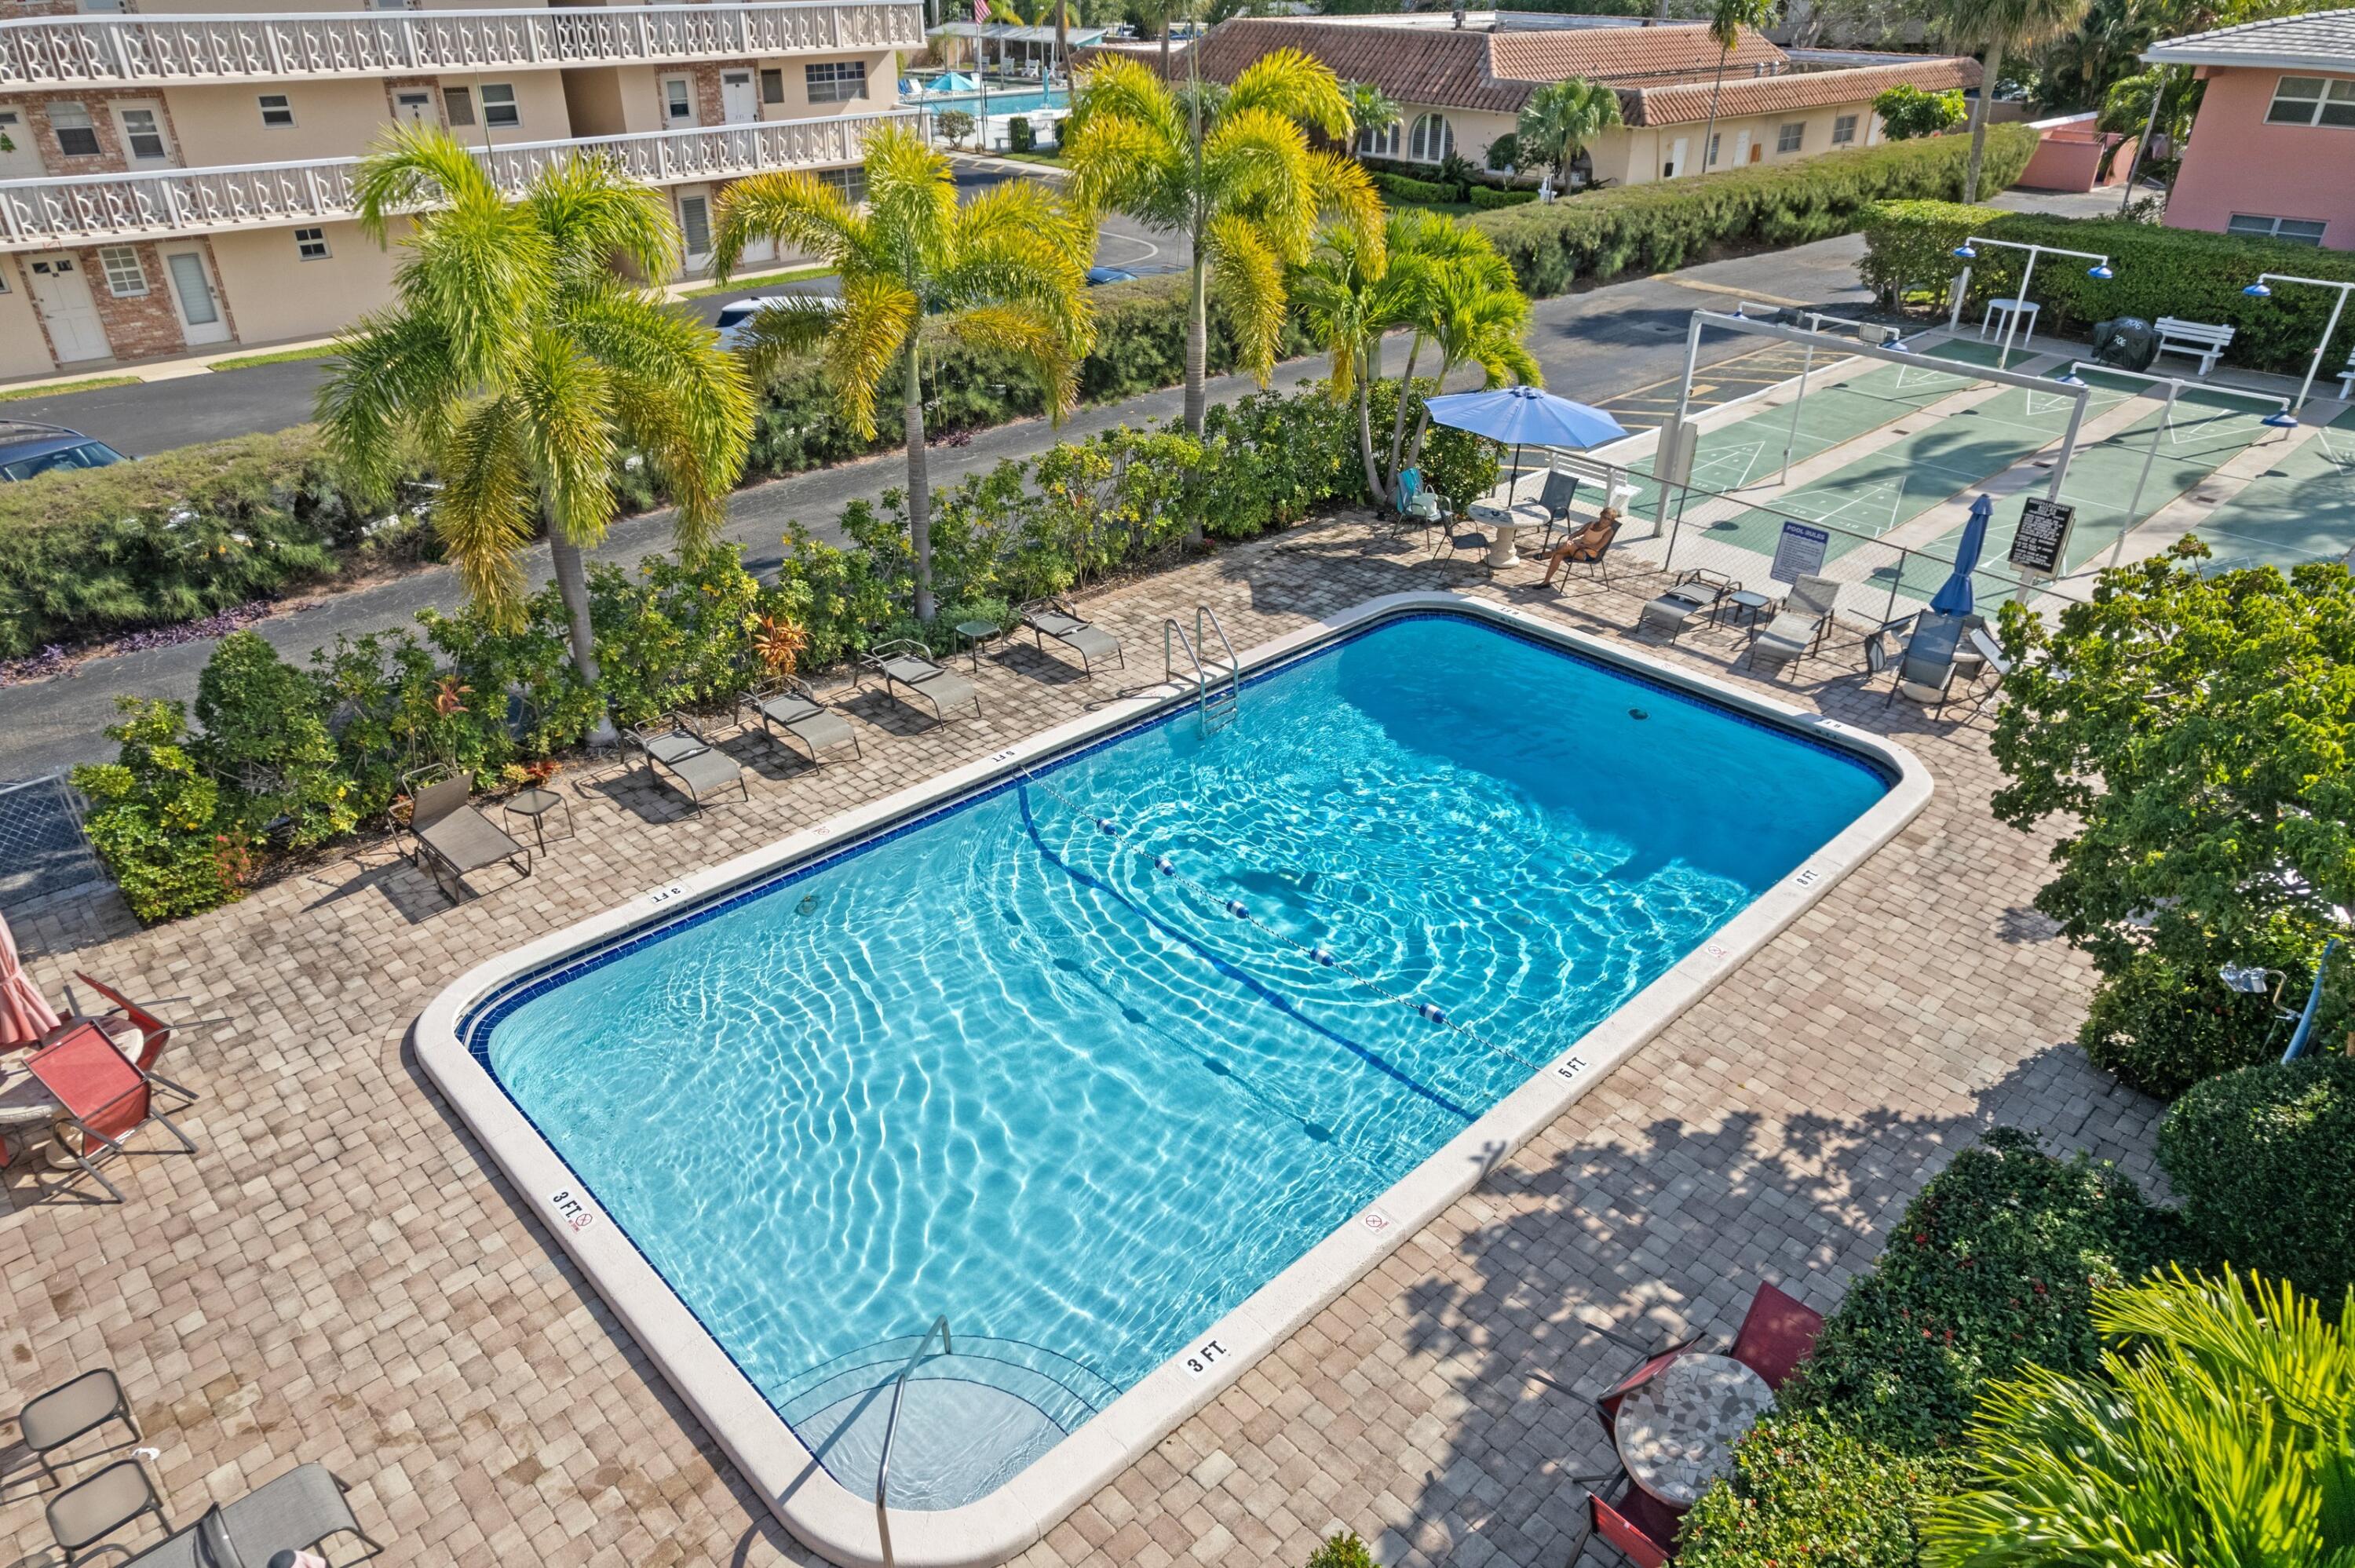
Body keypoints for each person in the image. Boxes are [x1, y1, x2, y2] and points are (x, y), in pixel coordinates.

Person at [1541, 507, 1619, 585]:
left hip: (1588, 554)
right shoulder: (1591, 524)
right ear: (1601, 515)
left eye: (1609, 519)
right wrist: (1570, 539)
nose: (1605, 520)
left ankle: (1549, 554)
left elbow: (1597, 547)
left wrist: (1584, 545)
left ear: (1611, 521)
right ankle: (1546, 582)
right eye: (1604, 517)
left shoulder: (1609, 532)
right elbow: (1577, 533)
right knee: (1558, 555)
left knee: (1569, 546)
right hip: (1576, 548)